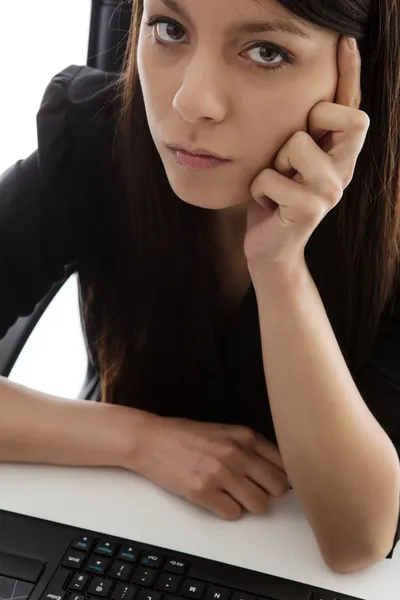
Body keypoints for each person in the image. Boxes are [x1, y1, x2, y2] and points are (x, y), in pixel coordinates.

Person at [0, 0, 399, 574]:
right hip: (124, 534)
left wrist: (280, 266)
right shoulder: (96, 134)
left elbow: (355, 540)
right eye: (168, 28)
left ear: (359, 74)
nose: (191, 99)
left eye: (267, 52)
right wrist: (139, 441)